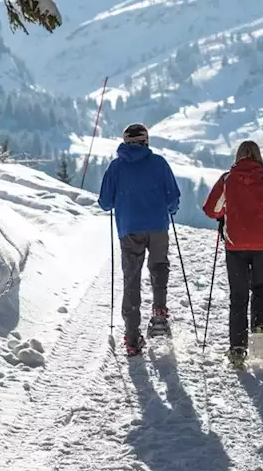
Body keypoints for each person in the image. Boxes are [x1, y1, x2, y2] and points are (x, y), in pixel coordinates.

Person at [202, 140, 263, 366]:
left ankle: (238, 348)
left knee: (238, 296)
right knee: (260, 288)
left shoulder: (227, 179)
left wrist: (224, 213)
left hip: (235, 244)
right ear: (259, 156)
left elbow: (210, 209)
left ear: (238, 156)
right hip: (262, 243)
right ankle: (260, 330)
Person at [98, 123, 182, 356]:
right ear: (146, 141)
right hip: (157, 225)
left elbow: (105, 202)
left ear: (125, 142)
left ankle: (132, 338)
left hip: (129, 229)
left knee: (131, 278)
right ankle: (159, 311)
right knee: (159, 266)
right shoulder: (159, 163)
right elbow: (173, 198)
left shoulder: (116, 167)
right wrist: (169, 209)